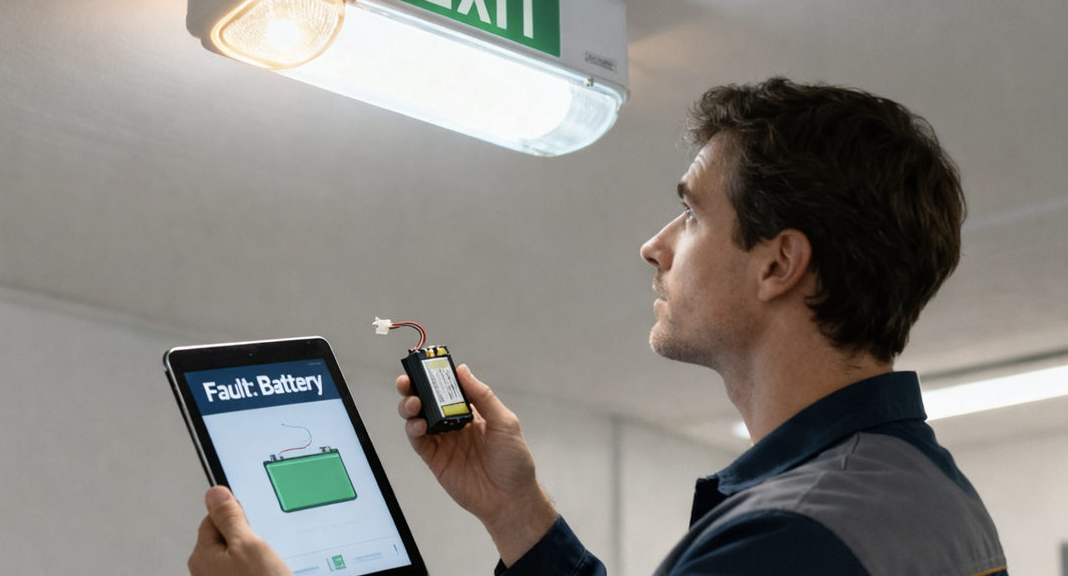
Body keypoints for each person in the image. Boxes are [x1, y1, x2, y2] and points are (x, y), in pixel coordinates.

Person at [186, 78, 1008, 576]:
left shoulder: (792, 536)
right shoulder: (921, 494)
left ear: (778, 264)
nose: (655, 245)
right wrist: (516, 512)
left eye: (692, 214)